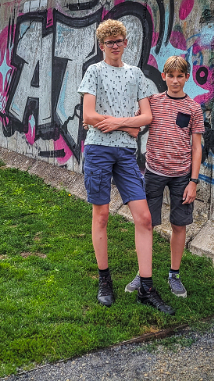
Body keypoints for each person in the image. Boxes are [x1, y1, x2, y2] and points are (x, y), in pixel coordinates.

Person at [77, 19, 174, 314]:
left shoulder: (137, 75)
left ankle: (146, 287)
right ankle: (104, 280)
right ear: (101, 45)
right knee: (102, 214)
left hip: (126, 154)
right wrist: (128, 125)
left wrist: (119, 123)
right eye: (109, 43)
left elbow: (147, 118)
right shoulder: (94, 71)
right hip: (98, 150)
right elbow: (89, 115)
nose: (115, 46)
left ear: (125, 43)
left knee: (144, 218)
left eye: (119, 41)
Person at [124, 55, 204, 299]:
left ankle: (174, 275)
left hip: (182, 176)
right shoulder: (153, 102)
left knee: (179, 225)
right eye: (171, 76)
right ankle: (143, 273)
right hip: (154, 173)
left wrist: (193, 181)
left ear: (187, 77)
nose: (175, 81)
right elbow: (133, 126)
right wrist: (105, 123)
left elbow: (197, 147)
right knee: (146, 224)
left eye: (180, 76)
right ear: (164, 77)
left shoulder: (193, 108)